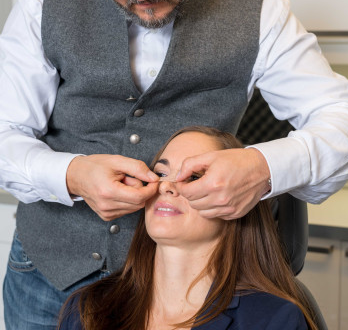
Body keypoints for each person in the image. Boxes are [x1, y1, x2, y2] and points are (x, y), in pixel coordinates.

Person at [0, 0, 348, 327]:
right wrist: (72, 175)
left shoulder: (262, 13)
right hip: (45, 275)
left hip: (189, 291)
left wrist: (262, 168)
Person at [58, 126, 317, 330]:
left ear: (235, 203)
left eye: (194, 177)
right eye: (161, 173)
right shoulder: (89, 309)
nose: (167, 186)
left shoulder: (274, 321)